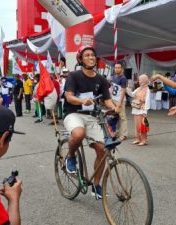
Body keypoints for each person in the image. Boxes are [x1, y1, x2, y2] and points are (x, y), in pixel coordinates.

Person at [63, 45, 119, 199]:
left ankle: (96, 184)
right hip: (73, 114)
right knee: (78, 133)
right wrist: (82, 100)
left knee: (103, 150)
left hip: (91, 116)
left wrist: (114, 108)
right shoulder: (73, 76)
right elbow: (69, 97)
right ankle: (71, 157)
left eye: (93, 55)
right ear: (80, 59)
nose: (91, 57)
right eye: (87, 55)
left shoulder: (101, 79)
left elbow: (107, 101)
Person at [128, 74, 151, 146]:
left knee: (142, 125)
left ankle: (144, 140)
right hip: (136, 108)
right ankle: (138, 139)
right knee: (136, 125)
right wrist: (128, 88)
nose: (139, 81)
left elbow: (147, 101)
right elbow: (132, 94)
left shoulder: (147, 90)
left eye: (140, 80)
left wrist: (145, 111)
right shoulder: (138, 88)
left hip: (142, 109)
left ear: (144, 81)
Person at [110, 61, 128, 141]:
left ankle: (124, 134)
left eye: (118, 68)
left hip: (119, 100)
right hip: (113, 99)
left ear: (121, 68)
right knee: (115, 117)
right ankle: (117, 132)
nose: (117, 69)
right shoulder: (113, 77)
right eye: (116, 67)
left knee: (122, 117)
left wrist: (120, 103)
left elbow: (123, 91)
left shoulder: (123, 78)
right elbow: (112, 88)